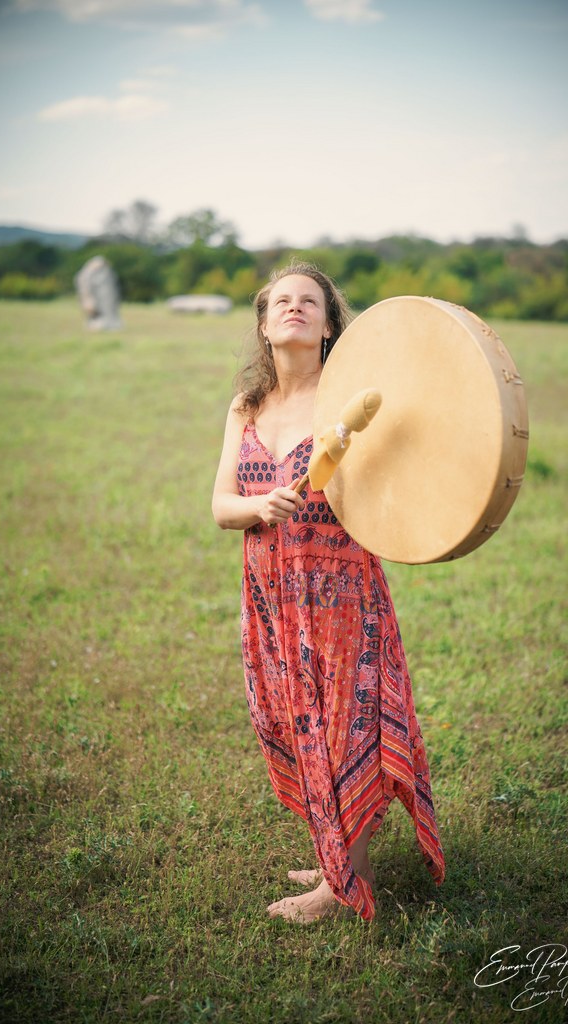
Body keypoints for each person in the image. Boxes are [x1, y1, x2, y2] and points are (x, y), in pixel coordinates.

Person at [212, 261, 444, 923]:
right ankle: (333, 848)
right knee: (287, 718)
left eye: (307, 300)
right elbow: (221, 506)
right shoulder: (246, 406)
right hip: (269, 593)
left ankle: (344, 885)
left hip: (341, 590)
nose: (293, 307)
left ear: (327, 323)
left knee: (341, 725)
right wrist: (263, 503)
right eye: (280, 300)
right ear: (262, 324)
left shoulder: (348, 403)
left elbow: (395, 489)